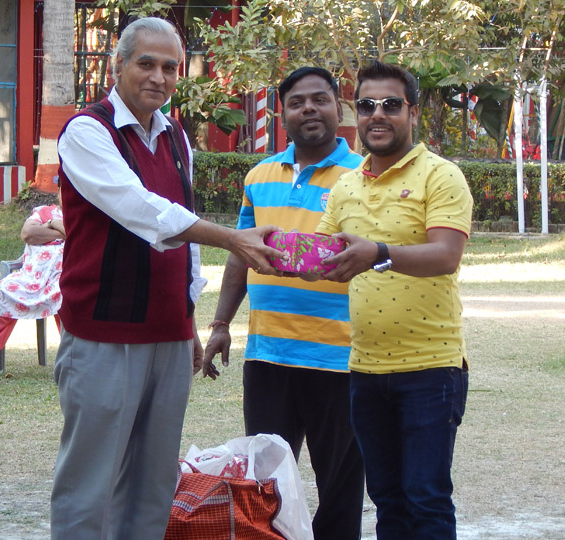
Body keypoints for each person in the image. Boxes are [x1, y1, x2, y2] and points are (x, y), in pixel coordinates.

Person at [52, 16, 282, 540]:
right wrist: (232, 238)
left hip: (169, 334)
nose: (159, 77)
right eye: (146, 63)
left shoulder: (177, 135)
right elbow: (142, 210)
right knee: (90, 486)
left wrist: (188, 316)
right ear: (117, 66)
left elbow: (185, 233)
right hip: (105, 336)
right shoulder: (87, 131)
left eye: (170, 67)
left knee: (154, 485)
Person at [201, 66, 366, 540]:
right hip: (269, 356)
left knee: (340, 490)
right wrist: (220, 324)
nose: (308, 108)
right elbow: (240, 252)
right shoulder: (259, 176)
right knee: (264, 487)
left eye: (320, 99)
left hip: (340, 359)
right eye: (296, 102)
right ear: (282, 113)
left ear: (339, 107)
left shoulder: (363, 177)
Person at [314, 60, 472, 539]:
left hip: (431, 369)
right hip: (365, 370)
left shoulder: (440, 176)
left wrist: (378, 253)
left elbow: (446, 255)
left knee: (426, 499)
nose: (377, 114)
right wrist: (272, 250)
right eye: (366, 105)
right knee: (387, 500)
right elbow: (323, 255)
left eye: (390, 104)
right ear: (355, 114)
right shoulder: (346, 185)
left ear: (413, 112)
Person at [0, 203, 64, 377]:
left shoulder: (85, 213)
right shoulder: (44, 212)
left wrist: (49, 227)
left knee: (67, 294)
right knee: (4, 290)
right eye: (64, 190)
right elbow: (28, 234)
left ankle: (72, 354)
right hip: (30, 276)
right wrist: (59, 228)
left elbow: (83, 237)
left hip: (62, 276)